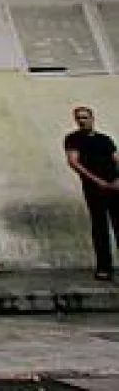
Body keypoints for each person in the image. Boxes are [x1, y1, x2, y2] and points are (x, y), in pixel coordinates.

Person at [65, 106, 119, 280]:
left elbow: (116, 159)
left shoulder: (105, 139)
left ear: (92, 118)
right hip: (94, 189)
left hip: (114, 187)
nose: (82, 120)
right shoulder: (73, 139)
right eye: (79, 118)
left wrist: (117, 180)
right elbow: (74, 163)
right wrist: (97, 181)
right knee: (100, 227)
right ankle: (104, 267)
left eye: (85, 117)